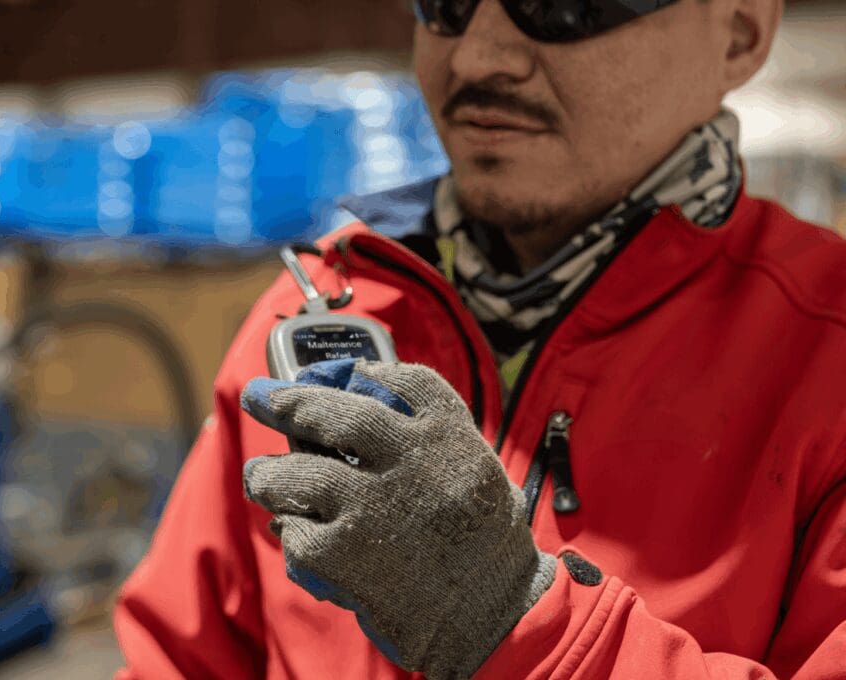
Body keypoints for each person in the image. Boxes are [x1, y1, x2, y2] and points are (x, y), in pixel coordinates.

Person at [115, 0, 846, 677]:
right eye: (446, 1)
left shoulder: (826, 358)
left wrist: (513, 620)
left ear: (740, 32)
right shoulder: (315, 313)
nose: (475, 58)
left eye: (560, 3)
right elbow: (178, 659)